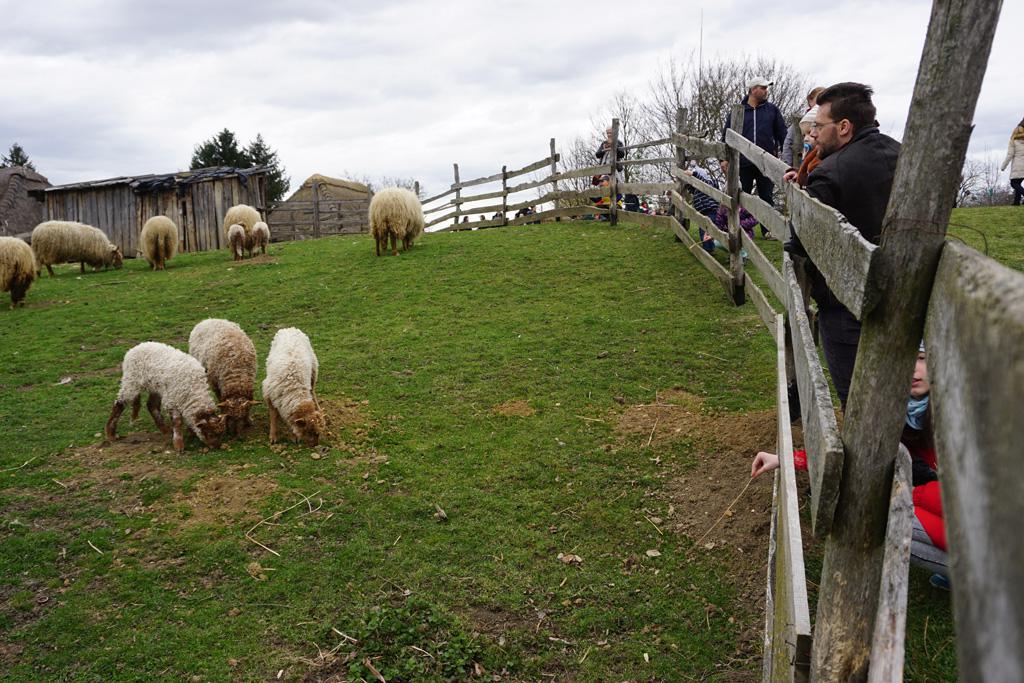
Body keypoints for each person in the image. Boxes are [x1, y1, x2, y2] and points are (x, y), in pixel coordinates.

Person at [751, 345, 948, 583]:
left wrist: (913, 494)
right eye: (907, 357)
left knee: (887, 519)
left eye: (922, 358)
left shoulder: (956, 417)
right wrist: (785, 459)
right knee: (878, 518)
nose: (913, 368)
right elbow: (854, 456)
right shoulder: (897, 410)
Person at [783, 82, 901, 410]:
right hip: (905, 300)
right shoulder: (903, 155)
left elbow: (801, 240)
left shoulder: (831, 173)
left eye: (819, 127)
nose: (814, 135)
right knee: (901, 398)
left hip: (844, 307)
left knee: (857, 402)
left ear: (844, 127)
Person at [723, 77, 788, 237]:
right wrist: (724, 159)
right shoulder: (737, 111)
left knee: (766, 196)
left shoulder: (772, 110)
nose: (766, 91)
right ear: (753, 90)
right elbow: (726, 135)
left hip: (766, 163)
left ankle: (769, 230)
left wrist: (785, 158)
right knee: (741, 195)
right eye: (763, 88)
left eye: (766, 88)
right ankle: (740, 229)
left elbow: (782, 134)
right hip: (742, 162)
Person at [781, 87, 825, 167]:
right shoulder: (802, 121)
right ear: (810, 101)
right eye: (819, 98)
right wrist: (787, 165)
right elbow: (788, 143)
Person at [1001, 117, 1024, 206]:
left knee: (1013, 183)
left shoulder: (1013, 141)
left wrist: (1003, 166)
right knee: (1018, 183)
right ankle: (1016, 202)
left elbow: (1010, 155)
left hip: (1018, 166)